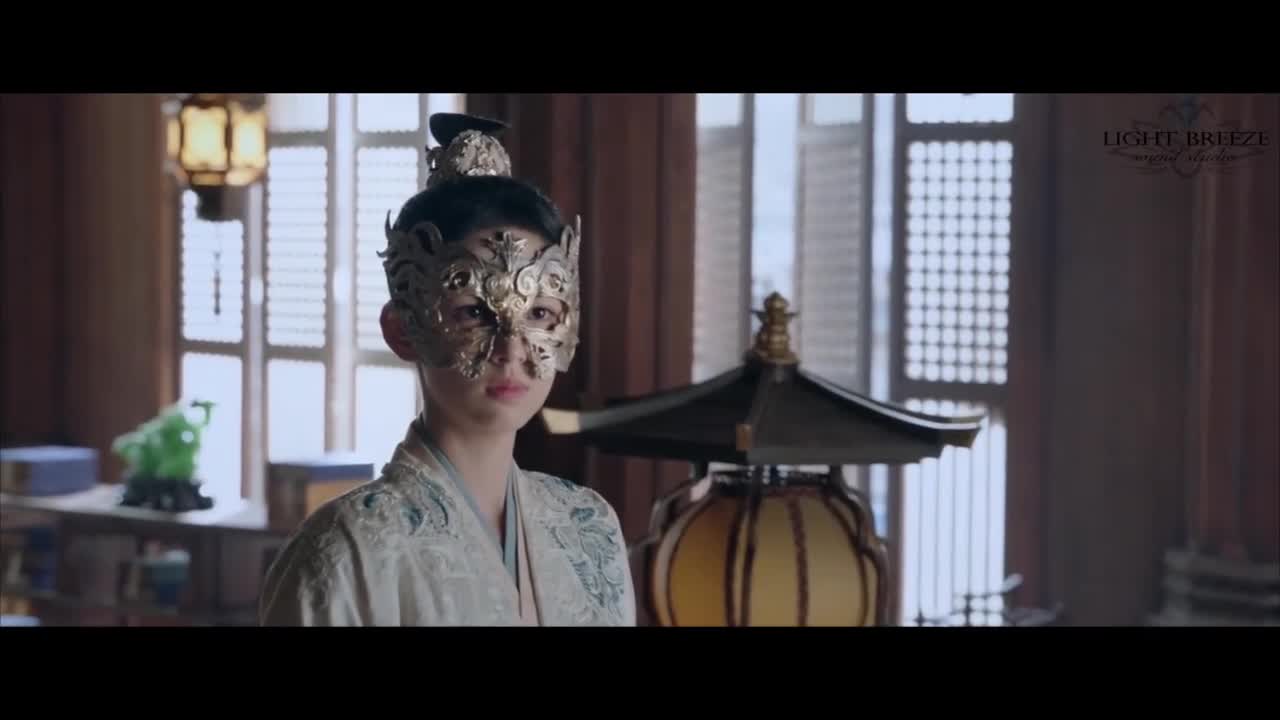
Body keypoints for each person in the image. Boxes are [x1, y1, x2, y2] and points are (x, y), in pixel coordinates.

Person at [258, 113, 635, 626]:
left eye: (539, 314)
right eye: (474, 312)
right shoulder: (343, 553)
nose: (511, 349)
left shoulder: (589, 526)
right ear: (402, 330)